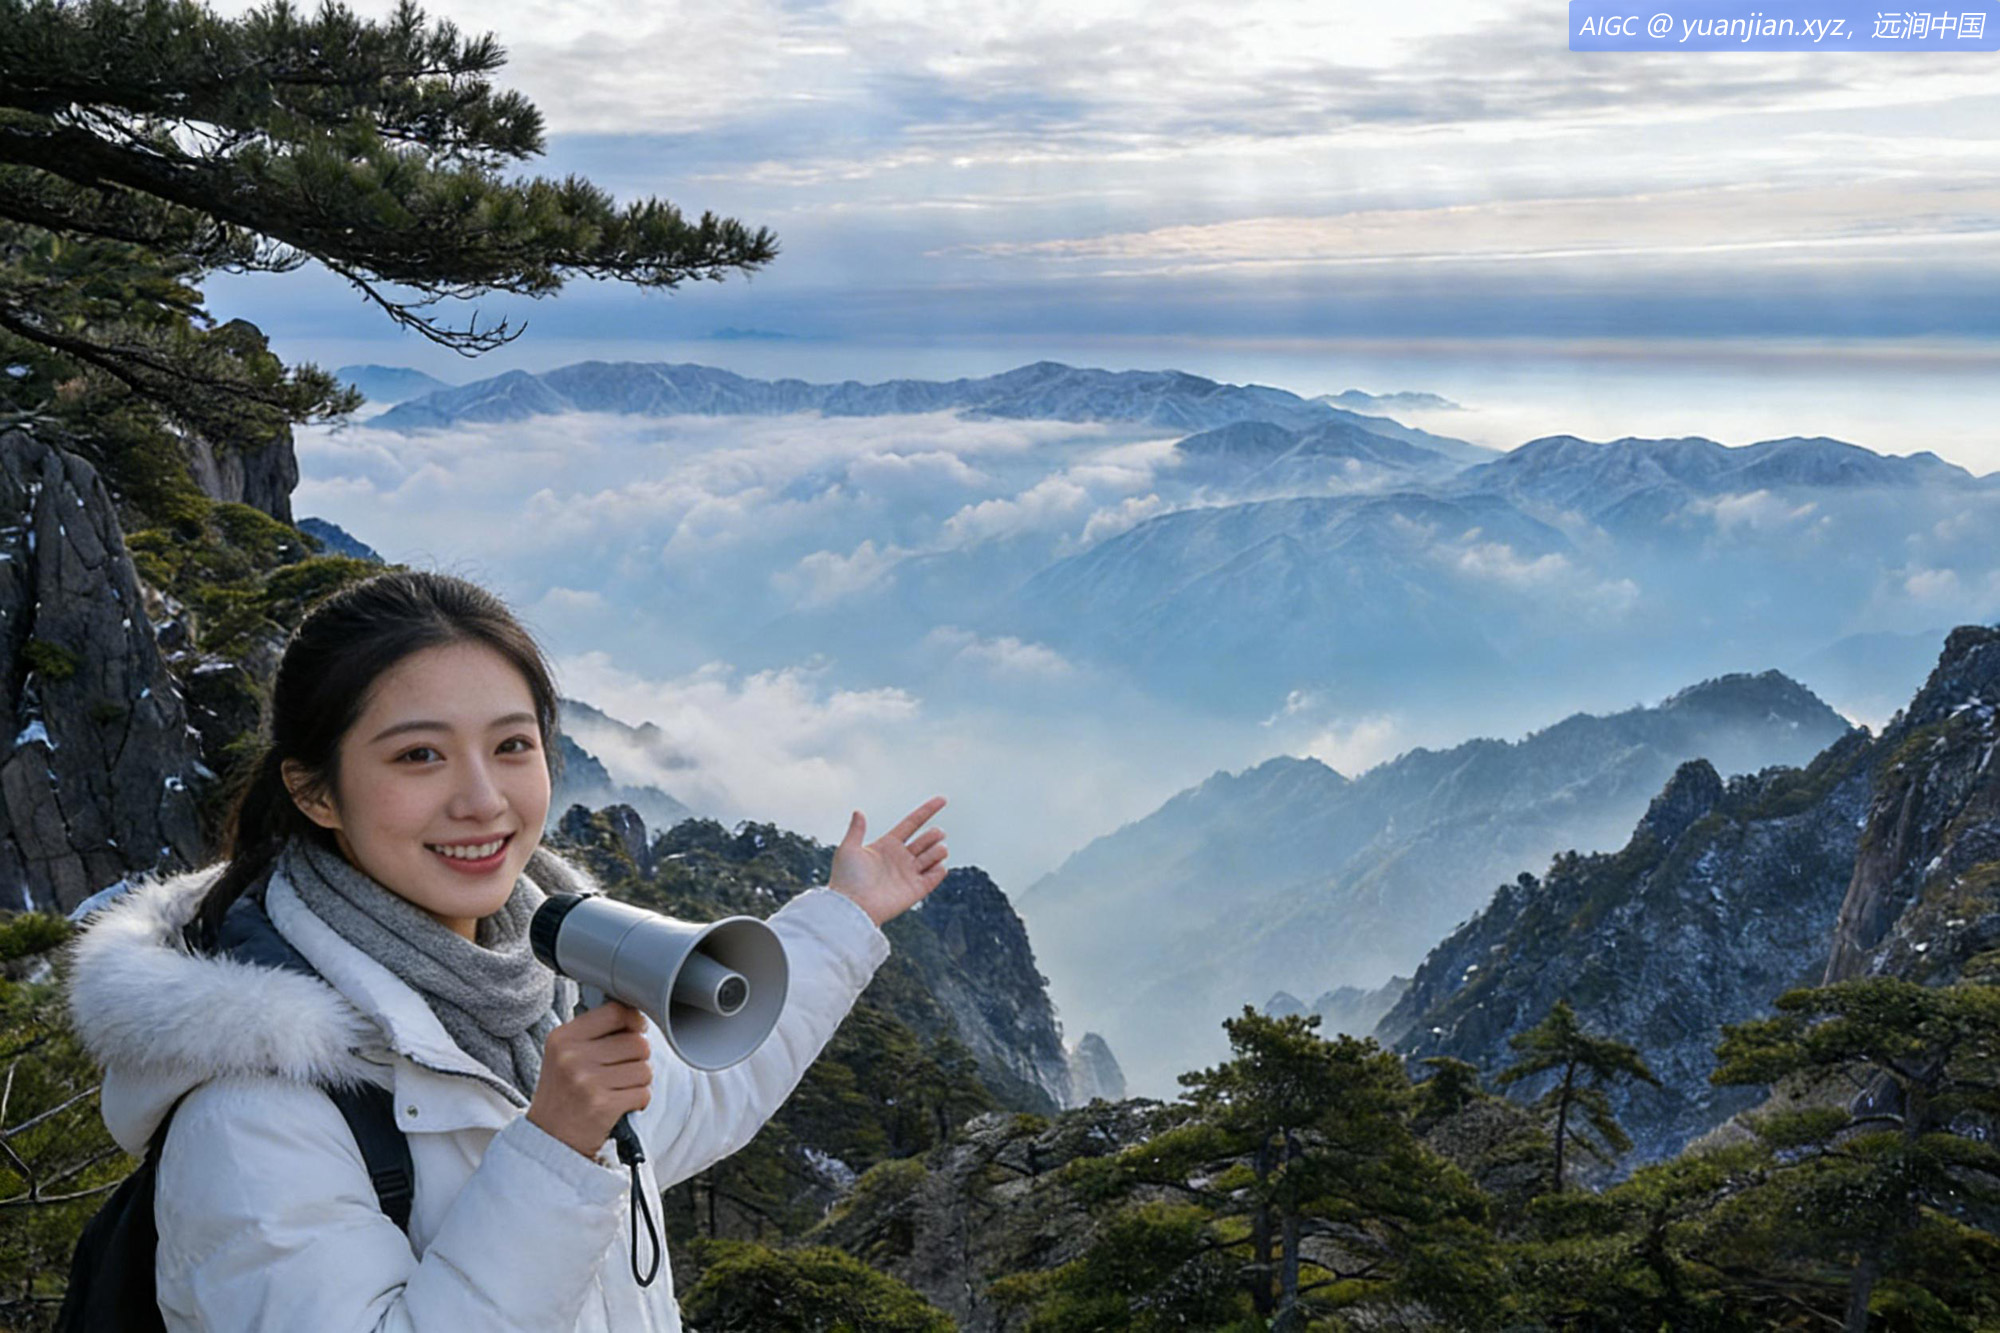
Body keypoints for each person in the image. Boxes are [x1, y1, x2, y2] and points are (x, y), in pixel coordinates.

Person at [63, 569, 950, 1332]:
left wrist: (843, 917)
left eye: (512, 744)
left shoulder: (539, 975)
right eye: (419, 756)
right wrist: (556, 1146)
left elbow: (703, 1082)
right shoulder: (255, 1109)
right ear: (315, 791)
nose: (483, 800)